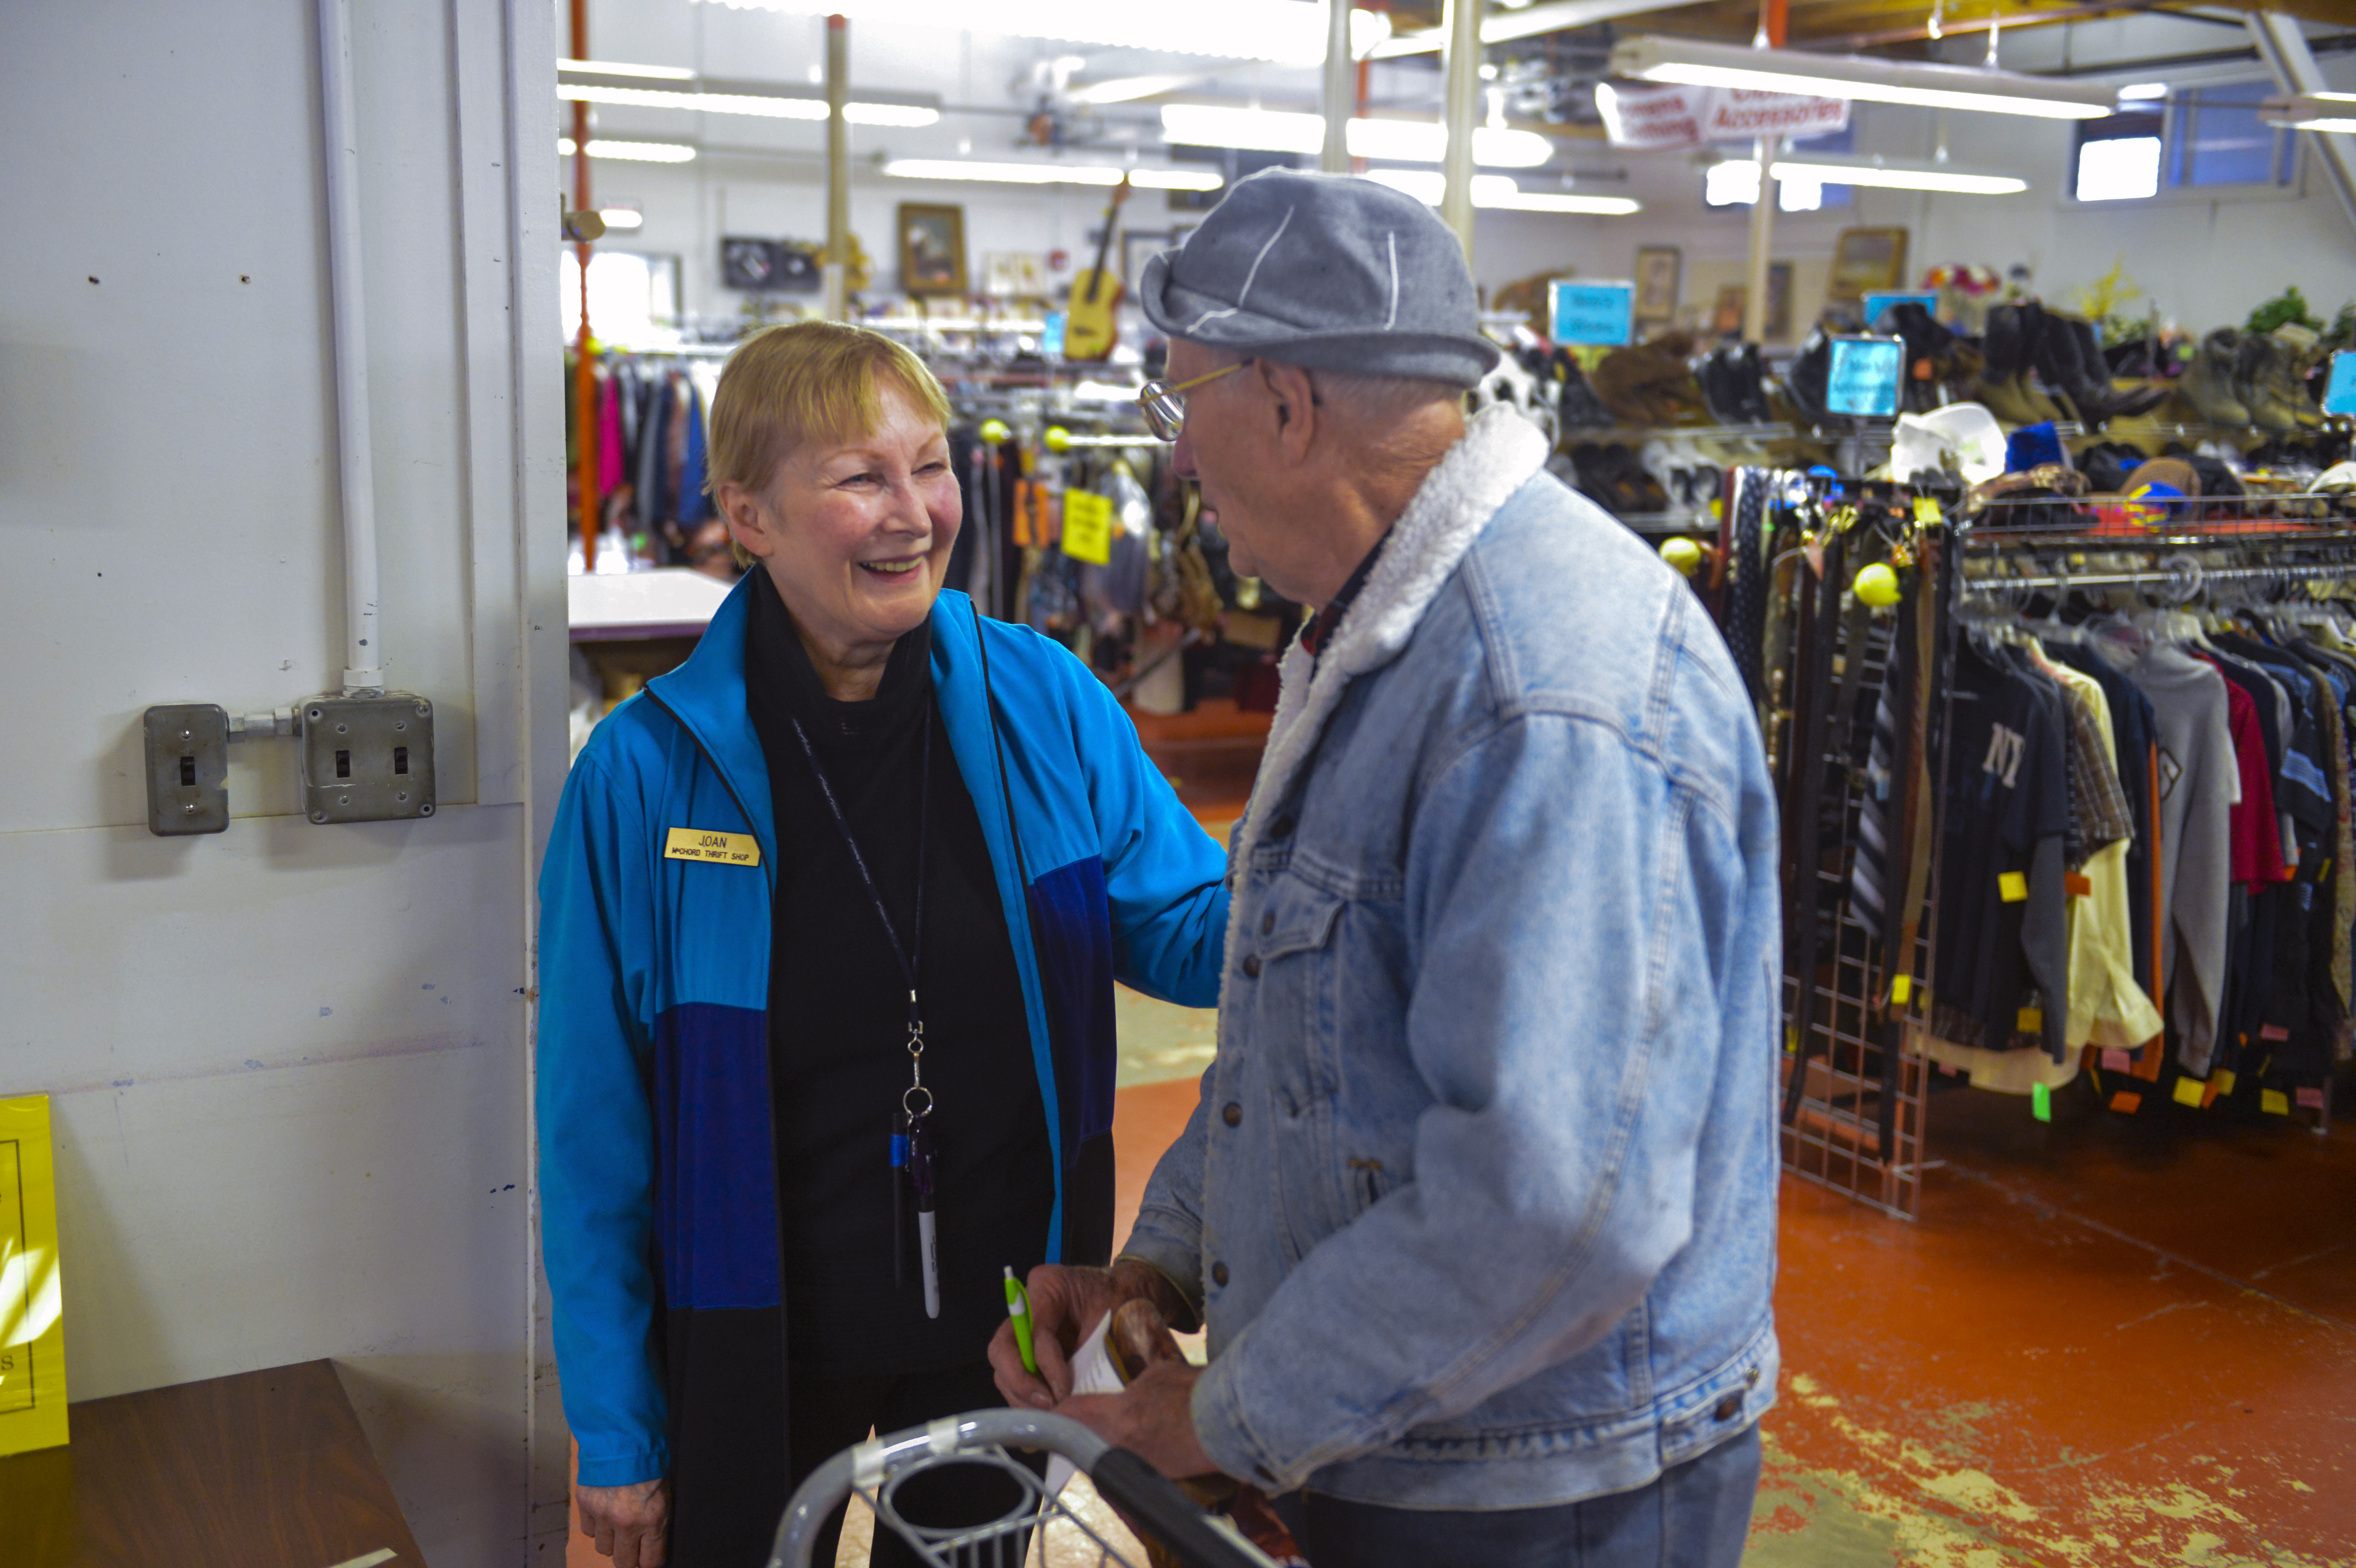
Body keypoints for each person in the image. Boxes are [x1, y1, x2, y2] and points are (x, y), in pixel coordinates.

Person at [992, 169, 1781, 1568]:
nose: (1173, 462)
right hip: (1408, 1433)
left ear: (1287, 403)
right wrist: (1161, 1257)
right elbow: (1314, 1043)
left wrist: (1224, 1418)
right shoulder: (1369, 637)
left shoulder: (1539, 698)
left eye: (1181, 407)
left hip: (1544, 1496)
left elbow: (1556, 1204)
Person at [538, 321, 1230, 1568]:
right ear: (748, 516)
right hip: (751, 1329)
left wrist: (1342, 872)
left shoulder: (1043, 700)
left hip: (1004, 1323)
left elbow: (1186, 929)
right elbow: (593, 1137)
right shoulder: (645, 776)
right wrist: (619, 1433)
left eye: (932, 465)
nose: (916, 513)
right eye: (862, 478)